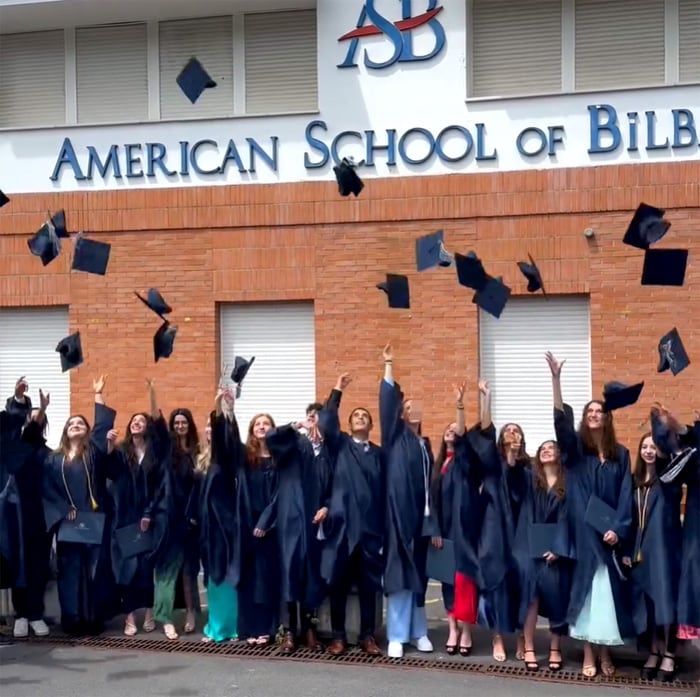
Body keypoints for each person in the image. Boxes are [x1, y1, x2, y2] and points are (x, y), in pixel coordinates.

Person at [546, 352, 634, 677]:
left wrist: (620, 529)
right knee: (588, 590)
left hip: (608, 532)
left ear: (607, 418)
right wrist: (556, 381)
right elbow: (561, 426)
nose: (595, 414)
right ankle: (587, 652)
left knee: (607, 594)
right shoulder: (576, 452)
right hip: (584, 531)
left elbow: (627, 495)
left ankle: (605, 651)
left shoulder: (620, 455)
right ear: (585, 418)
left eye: (600, 411)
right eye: (590, 411)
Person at [319, 373, 383, 656]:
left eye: (364, 416)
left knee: (369, 588)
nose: (359, 418)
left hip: (369, 530)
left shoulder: (379, 454)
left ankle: (368, 636)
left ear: (370, 425)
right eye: (355, 415)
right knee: (338, 585)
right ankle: (338, 636)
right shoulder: (340, 445)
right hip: (342, 529)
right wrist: (337, 390)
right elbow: (326, 422)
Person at [379, 342, 435, 659]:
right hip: (398, 518)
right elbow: (387, 403)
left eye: (418, 405)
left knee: (420, 578)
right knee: (400, 576)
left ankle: (418, 631)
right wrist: (389, 364)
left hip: (422, 520)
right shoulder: (394, 437)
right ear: (401, 412)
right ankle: (397, 635)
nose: (414, 409)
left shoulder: (424, 444)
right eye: (408, 405)